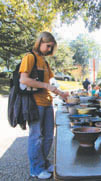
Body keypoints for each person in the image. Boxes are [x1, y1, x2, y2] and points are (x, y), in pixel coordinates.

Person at [19, 32, 68, 179]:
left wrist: (62, 94)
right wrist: (45, 85)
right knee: (36, 136)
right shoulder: (30, 58)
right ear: (40, 42)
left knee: (48, 136)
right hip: (35, 104)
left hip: (47, 103)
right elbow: (24, 80)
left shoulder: (45, 62)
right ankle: (36, 169)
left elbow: (51, 84)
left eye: (51, 47)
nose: (49, 50)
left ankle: (43, 163)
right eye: (48, 46)